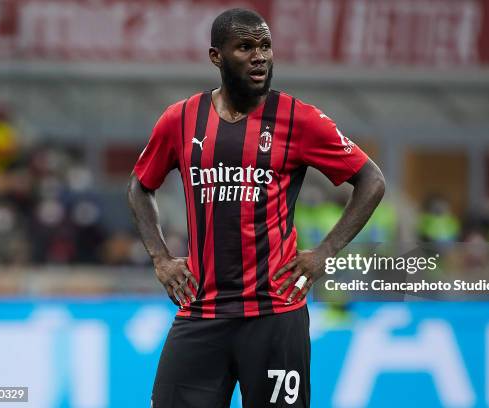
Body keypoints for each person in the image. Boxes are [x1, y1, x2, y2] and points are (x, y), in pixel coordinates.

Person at [128, 8, 385, 408]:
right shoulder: (180, 119)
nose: (259, 56)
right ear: (217, 56)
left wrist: (324, 254)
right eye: (245, 47)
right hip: (202, 310)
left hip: (275, 314)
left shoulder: (299, 119)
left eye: (265, 46)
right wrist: (160, 258)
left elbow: (371, 180)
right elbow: (140, 187)